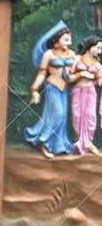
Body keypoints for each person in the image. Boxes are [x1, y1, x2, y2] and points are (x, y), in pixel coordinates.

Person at [25, 22, 76, 159]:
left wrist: (75, 75)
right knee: (57, 114)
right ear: (56, 41)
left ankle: (58, 146)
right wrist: (34, 90)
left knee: (63, 118)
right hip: (52, 87)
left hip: (63, 89)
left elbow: (72, 74)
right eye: (66, 39)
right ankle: (43, 141)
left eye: (70, 40)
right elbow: (41, 74)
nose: (69, 43)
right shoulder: (48, 54)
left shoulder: (72, 54)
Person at [70, 35, 102, 156]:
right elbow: (69, 77)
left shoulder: (98, 65)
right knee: (77, 115)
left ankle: (89, 142)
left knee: (90, 116)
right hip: (77, 90)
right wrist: (81, 74)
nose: (100, 51)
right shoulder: (77, 59)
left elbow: (99, 81)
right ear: (90, 46)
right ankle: (78, 141)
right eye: (98, 48)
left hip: (90, 92)